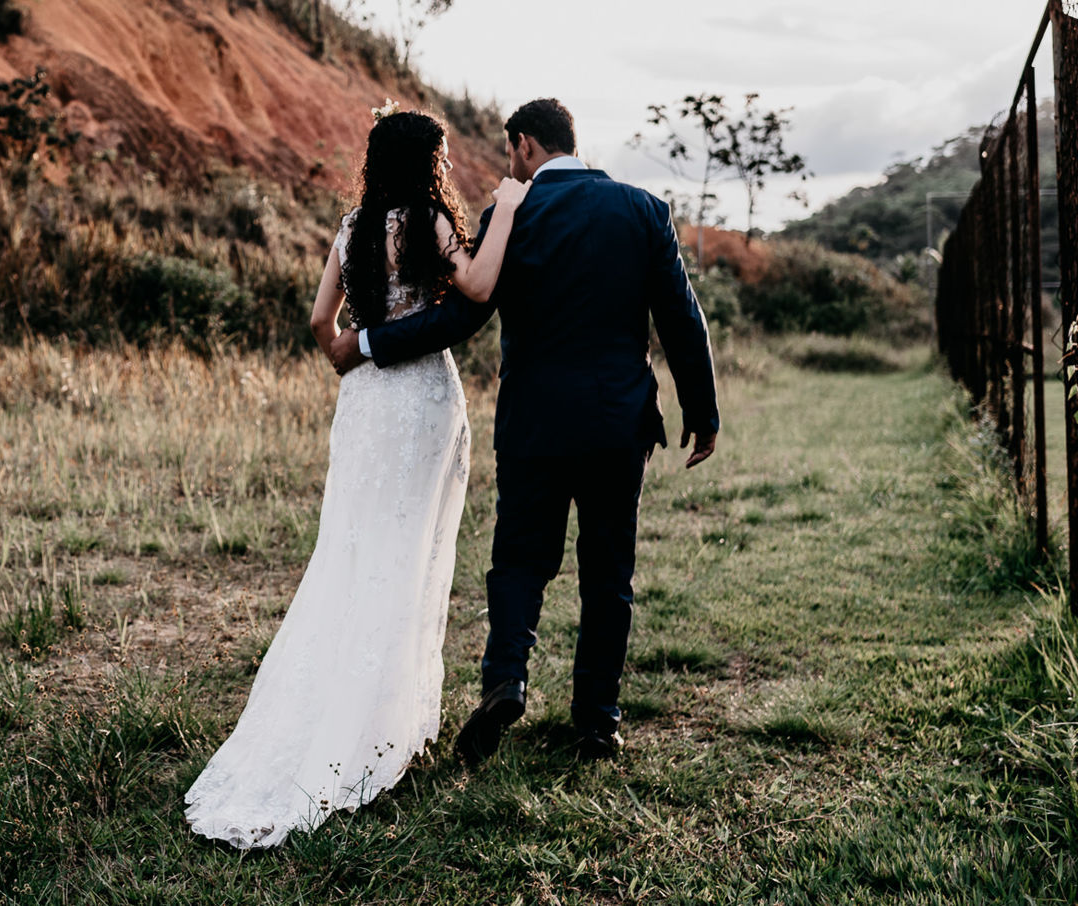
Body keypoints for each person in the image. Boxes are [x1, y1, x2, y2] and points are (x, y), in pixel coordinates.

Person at [328, 97, 719, 765]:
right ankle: (598, 722)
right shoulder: (643, 210)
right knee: (608, 572)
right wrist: (702, 414)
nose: (512, 165)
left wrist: (367, 342)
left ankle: (505, 679)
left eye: (512, 153)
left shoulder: (515, 215)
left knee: (518, 562)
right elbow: (681, 317)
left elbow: (459, 320)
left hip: (534, 421)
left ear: (526, 145)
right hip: (615, 421)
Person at [184, 105, 531, 849]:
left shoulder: (351, 226)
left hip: (367, 403)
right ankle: (385, 729)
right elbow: (474, 288)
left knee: (352, 550)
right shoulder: (432, 221)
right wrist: (505, 210)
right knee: (411, 557)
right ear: (426, 160)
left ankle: (343, 715)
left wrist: (350, 345)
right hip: (423, 400)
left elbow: (319, 322)